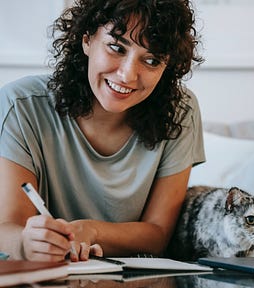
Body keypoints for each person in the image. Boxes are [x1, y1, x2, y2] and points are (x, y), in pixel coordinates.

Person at [0, 0, 204, 262]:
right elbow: (8, 227)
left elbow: (158, 233)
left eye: (152, 60)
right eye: (116, 47)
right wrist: (26, 244)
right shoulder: (20, 106)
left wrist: (92, 230)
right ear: (87, 39)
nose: (127, 75)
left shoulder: (180, 112)